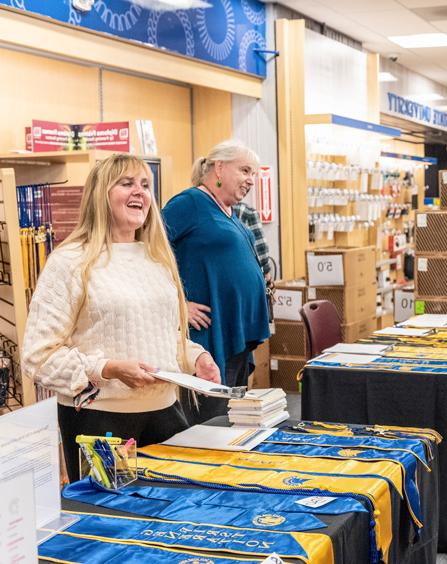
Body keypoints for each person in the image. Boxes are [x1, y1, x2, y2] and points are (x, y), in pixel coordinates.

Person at [21, 154, 220, 482]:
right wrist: (107, 369)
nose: (139, 192)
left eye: (145, 185)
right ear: (101, 194)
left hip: (166, 415)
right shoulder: (70, 262)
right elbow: (38, 357)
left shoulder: (155, 259)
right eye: (126, 183)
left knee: (172, 520)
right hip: (100, 425)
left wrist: (195, 358)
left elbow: (161, 336)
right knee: (114, 522)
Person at [162, 140, 270, 424]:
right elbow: (149, 250)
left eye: (254, 174)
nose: (251, 180)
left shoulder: (229, 210)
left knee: (230, 416)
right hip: (210, 334)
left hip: (236, 333)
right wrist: (178, 303)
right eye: (245, 171)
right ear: (219, 168)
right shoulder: (190, 203)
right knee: (211, 418)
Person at [232, 201, 273, 282]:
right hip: (244, 277)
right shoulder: (245, 212)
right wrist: (267, 274)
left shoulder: (205, 209)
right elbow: (261, 249)